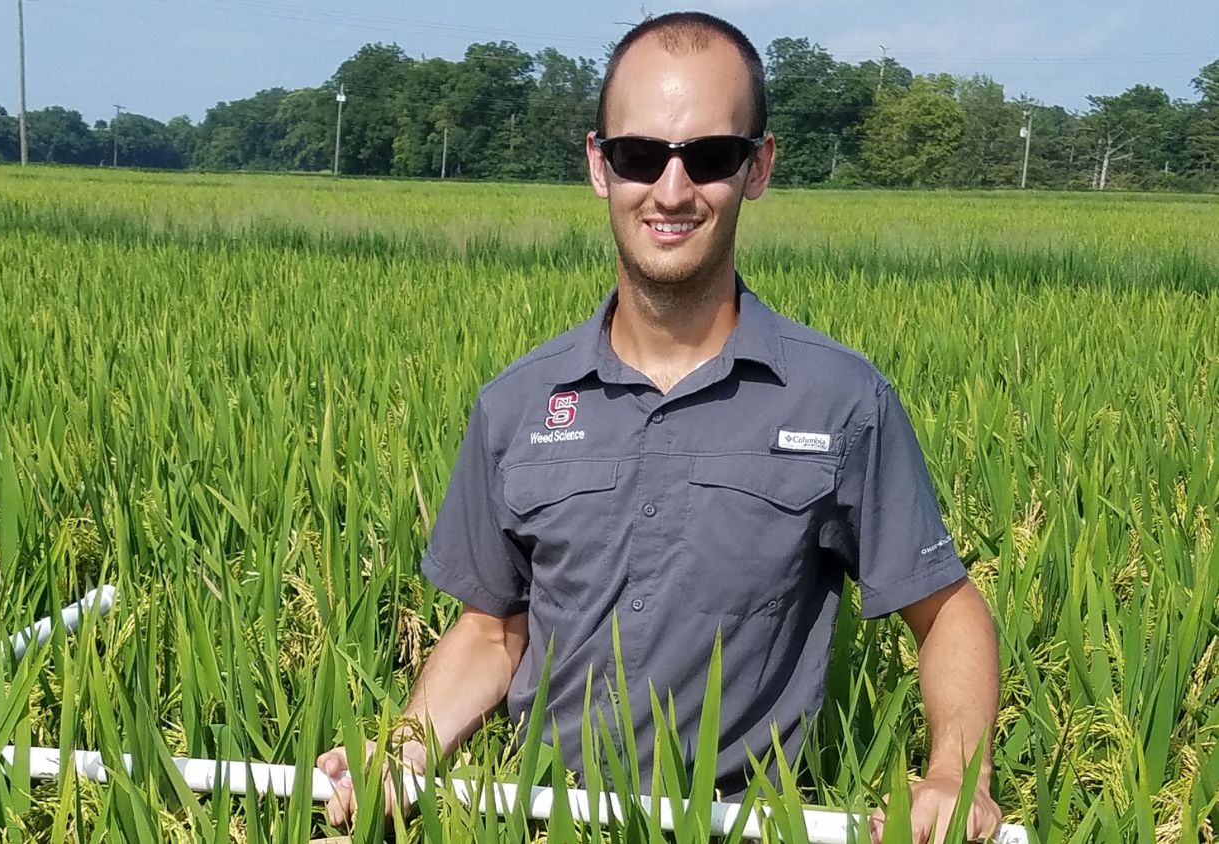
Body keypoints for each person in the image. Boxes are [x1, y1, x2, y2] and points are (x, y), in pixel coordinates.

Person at [318, 12, 1004, 843]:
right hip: (539, 818)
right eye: (640, 155)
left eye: (710, 156)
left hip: (746, 824)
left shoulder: (838, 400)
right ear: (599, 166)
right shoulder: (517, 404)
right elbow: (494, 629)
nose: (672, 191)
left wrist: (953, 775)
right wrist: (407, 749)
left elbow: (947, 609)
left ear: (758, 168)